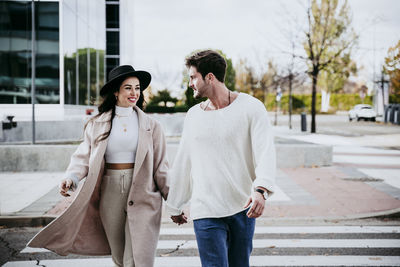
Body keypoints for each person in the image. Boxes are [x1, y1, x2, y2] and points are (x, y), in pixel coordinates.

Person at [27, 65, 169, 267]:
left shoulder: (152, 126)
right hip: (109, 193)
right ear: (116, 91)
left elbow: (161, 167)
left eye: (137, 88)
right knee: (120, 258)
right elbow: (83, 157)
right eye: (128, 88)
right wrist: (72, 177)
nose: (134, 93)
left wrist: (175, 200)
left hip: (144, 193)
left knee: (138, 259)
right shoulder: (97, 124)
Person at [166, 50, 276, 267]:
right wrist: (175, 204)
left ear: (209, 77)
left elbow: (265, 150)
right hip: (205, 209)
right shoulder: (193, 115)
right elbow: (184, 161)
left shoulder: (251, 107)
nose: (190, 83)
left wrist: (261, 190)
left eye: (193, 77)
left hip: (243, 208)